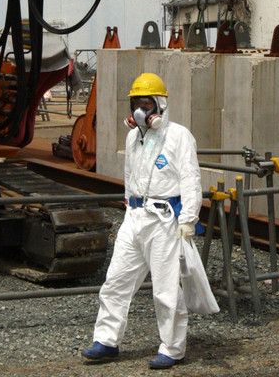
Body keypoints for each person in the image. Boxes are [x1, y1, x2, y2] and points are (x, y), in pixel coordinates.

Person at [81, 72, 203, 369]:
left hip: (164, 221)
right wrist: (127, 209)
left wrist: (188, 219)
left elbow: (190, 179)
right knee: (116, 282)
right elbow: (129, 177)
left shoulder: (178, 136)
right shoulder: (133, 137)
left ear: (160, 104)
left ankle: (172, 348)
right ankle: (107, 341)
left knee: (165, 289)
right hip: (134, 217)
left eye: (146, 103)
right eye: (136, 103)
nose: (140, 110)